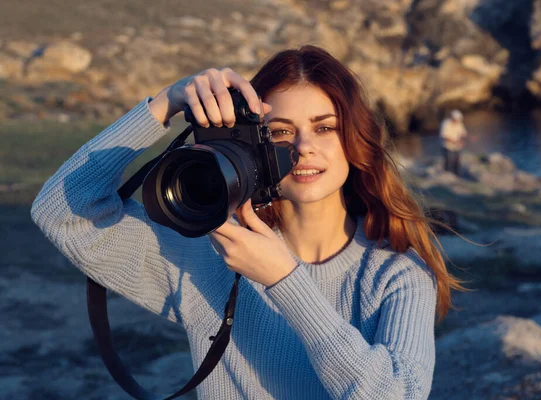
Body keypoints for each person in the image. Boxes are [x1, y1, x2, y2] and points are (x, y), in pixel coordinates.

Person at [31, 45, 463, 399]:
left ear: (354, 139)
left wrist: (284, 280)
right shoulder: (214, 253)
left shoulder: (398, 275)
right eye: (280, 132)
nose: (304, 148)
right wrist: (165, 104)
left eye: (325, 127)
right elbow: (61, 212)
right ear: (256, 146)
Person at [440, 109, 468, 175]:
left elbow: (463, 133)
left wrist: (470, 138)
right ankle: (446, 176)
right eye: (456, 119)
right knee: (448, 162)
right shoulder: (446, 123)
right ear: (452, 118)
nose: (457, 121)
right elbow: (444, 136)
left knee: (457, 163)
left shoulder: (459, 123)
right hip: (447, 147)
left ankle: (457, 176)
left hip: (457, 147)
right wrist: (455, 141)